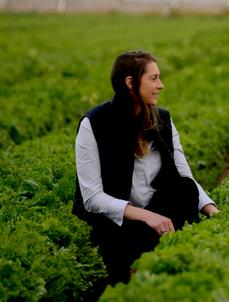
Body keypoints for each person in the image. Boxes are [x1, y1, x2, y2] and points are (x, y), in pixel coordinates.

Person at [73, 50, 219, 285]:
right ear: (130, 83)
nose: (161, 85)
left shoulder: (162, 120)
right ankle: (127, 272)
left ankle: (162, 265)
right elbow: (91, 197)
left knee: (184, 189)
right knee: (120, 253)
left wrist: (212, 210)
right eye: (153, 78)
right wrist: (147, 216)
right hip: (117, 221)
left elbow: (185, 176)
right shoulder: (95, 124)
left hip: (155, 217)